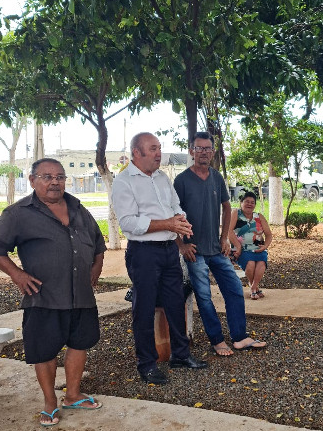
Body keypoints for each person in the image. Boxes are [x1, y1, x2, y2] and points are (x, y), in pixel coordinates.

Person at [0, 158, 106, 427]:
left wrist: (96, 267)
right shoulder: (18, 213)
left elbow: (98, 243)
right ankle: (50, 403)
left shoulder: (78, 208)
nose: (55, 182)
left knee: (80, 343)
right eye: (47, 177)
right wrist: (17, 274)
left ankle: (72, 395)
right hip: (44, 295)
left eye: (60, 177)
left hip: (81, 295)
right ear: (32, 180)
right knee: (45, 351)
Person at [112, 132, 208, 383]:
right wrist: (168, 223)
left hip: (168, 250)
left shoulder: (162, 177)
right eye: (153, 149)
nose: (159, 154)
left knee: (175, 304)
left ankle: (180, 355)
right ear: (137, 152)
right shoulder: (124, 182)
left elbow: (175, 206)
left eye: (159, 148)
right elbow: (128, 223)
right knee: (143, 308)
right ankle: (147, 364)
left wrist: (181, 220)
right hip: (144, 253)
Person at [173, 131, 267, 357]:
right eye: (199, 148)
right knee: (204, 296)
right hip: (194, 251)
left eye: (207, 148)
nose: (203, 152)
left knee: (234, 288)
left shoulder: (216, 178)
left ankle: (239, 337)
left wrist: (225, 237)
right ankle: (216, 340)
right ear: (191, 151)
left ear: (213, 152)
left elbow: (227, 208)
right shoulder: (181, 181)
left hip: (217, 249)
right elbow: (171, 215)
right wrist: (181, 245)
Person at [230, 191, 272, 300]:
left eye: (252, 202)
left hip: (258, 248)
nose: (249, 204)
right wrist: (238, 247)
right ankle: (255, 289)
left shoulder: (259, 217)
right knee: (251, 264)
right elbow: (229, 231)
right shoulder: (236, 213)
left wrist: (265, 246)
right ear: (241, 203)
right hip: (242, 249)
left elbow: (268, 234)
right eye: (247, 201)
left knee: (261, 264)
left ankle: (253, 287)